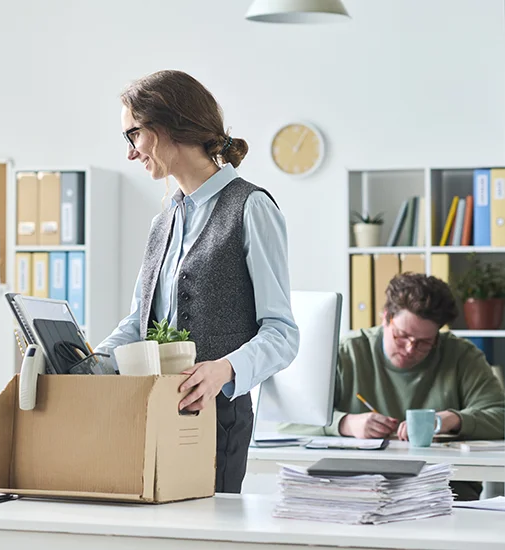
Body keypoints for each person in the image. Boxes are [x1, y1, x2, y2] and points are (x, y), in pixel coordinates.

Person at [95, 70, 300, 493]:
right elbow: (139, 323)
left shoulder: (251, 207)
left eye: (133, 135)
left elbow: (282, 334)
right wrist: (86, 365)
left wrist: (223, 370)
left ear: (166, 125)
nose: (131, 153)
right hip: (152, 413)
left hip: (217, 419)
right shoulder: (163, 219)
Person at [282, 272, 505, 500]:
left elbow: (500, 415)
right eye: (402, 336)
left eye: (424, 342)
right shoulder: (346, 354)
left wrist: (453, 420)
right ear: (385, 317)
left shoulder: (461, 357)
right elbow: (288, 421)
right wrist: (345, 424)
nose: (410, 349)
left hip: (444, 492)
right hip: (355, 492)